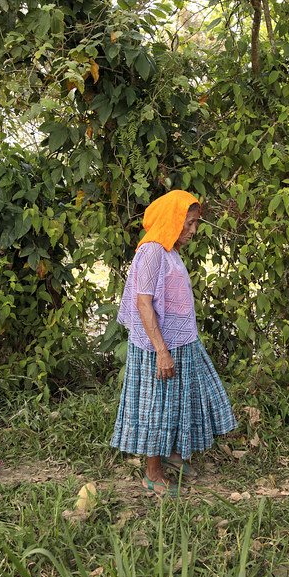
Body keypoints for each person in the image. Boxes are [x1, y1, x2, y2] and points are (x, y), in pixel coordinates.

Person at [110, 190, 238, 496]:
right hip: (159, 348)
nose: (193, 230)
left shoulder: (168, 250)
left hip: (180, 342)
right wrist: (162, 352)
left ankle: (170, 454)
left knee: (176, 404)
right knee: (158, 409)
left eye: (195, 223)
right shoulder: (153, 250)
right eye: (189, 222)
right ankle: (152, 474)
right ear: (173, 219)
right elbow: (144, 304)